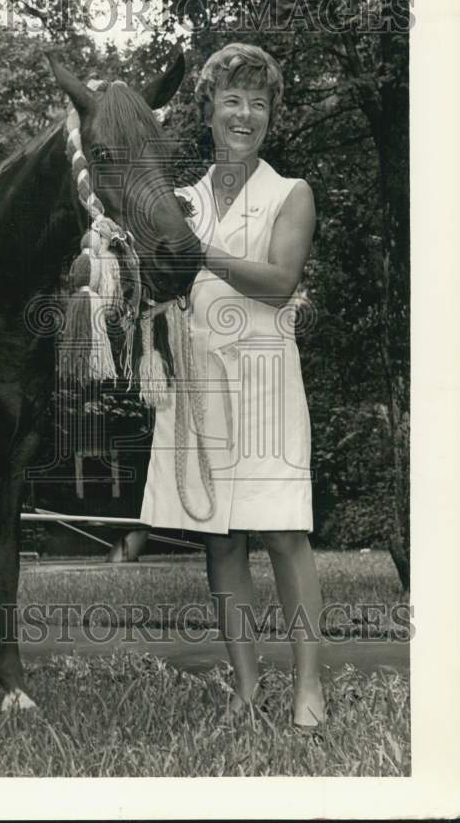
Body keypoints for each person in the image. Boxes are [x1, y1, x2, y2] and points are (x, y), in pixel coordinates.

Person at [137, 42, 325, 727]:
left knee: (282, 535)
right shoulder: (180, 199)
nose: (245, 114)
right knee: (221, 539)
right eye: (232, 100)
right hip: (199, 386)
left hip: (267, 384)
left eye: (258, 103)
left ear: (271, 116)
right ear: (208, 111)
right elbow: (146, 271)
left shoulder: (290, 194)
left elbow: (279, 284)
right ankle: (246, 689)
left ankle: (309, 688)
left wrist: (199, 249)